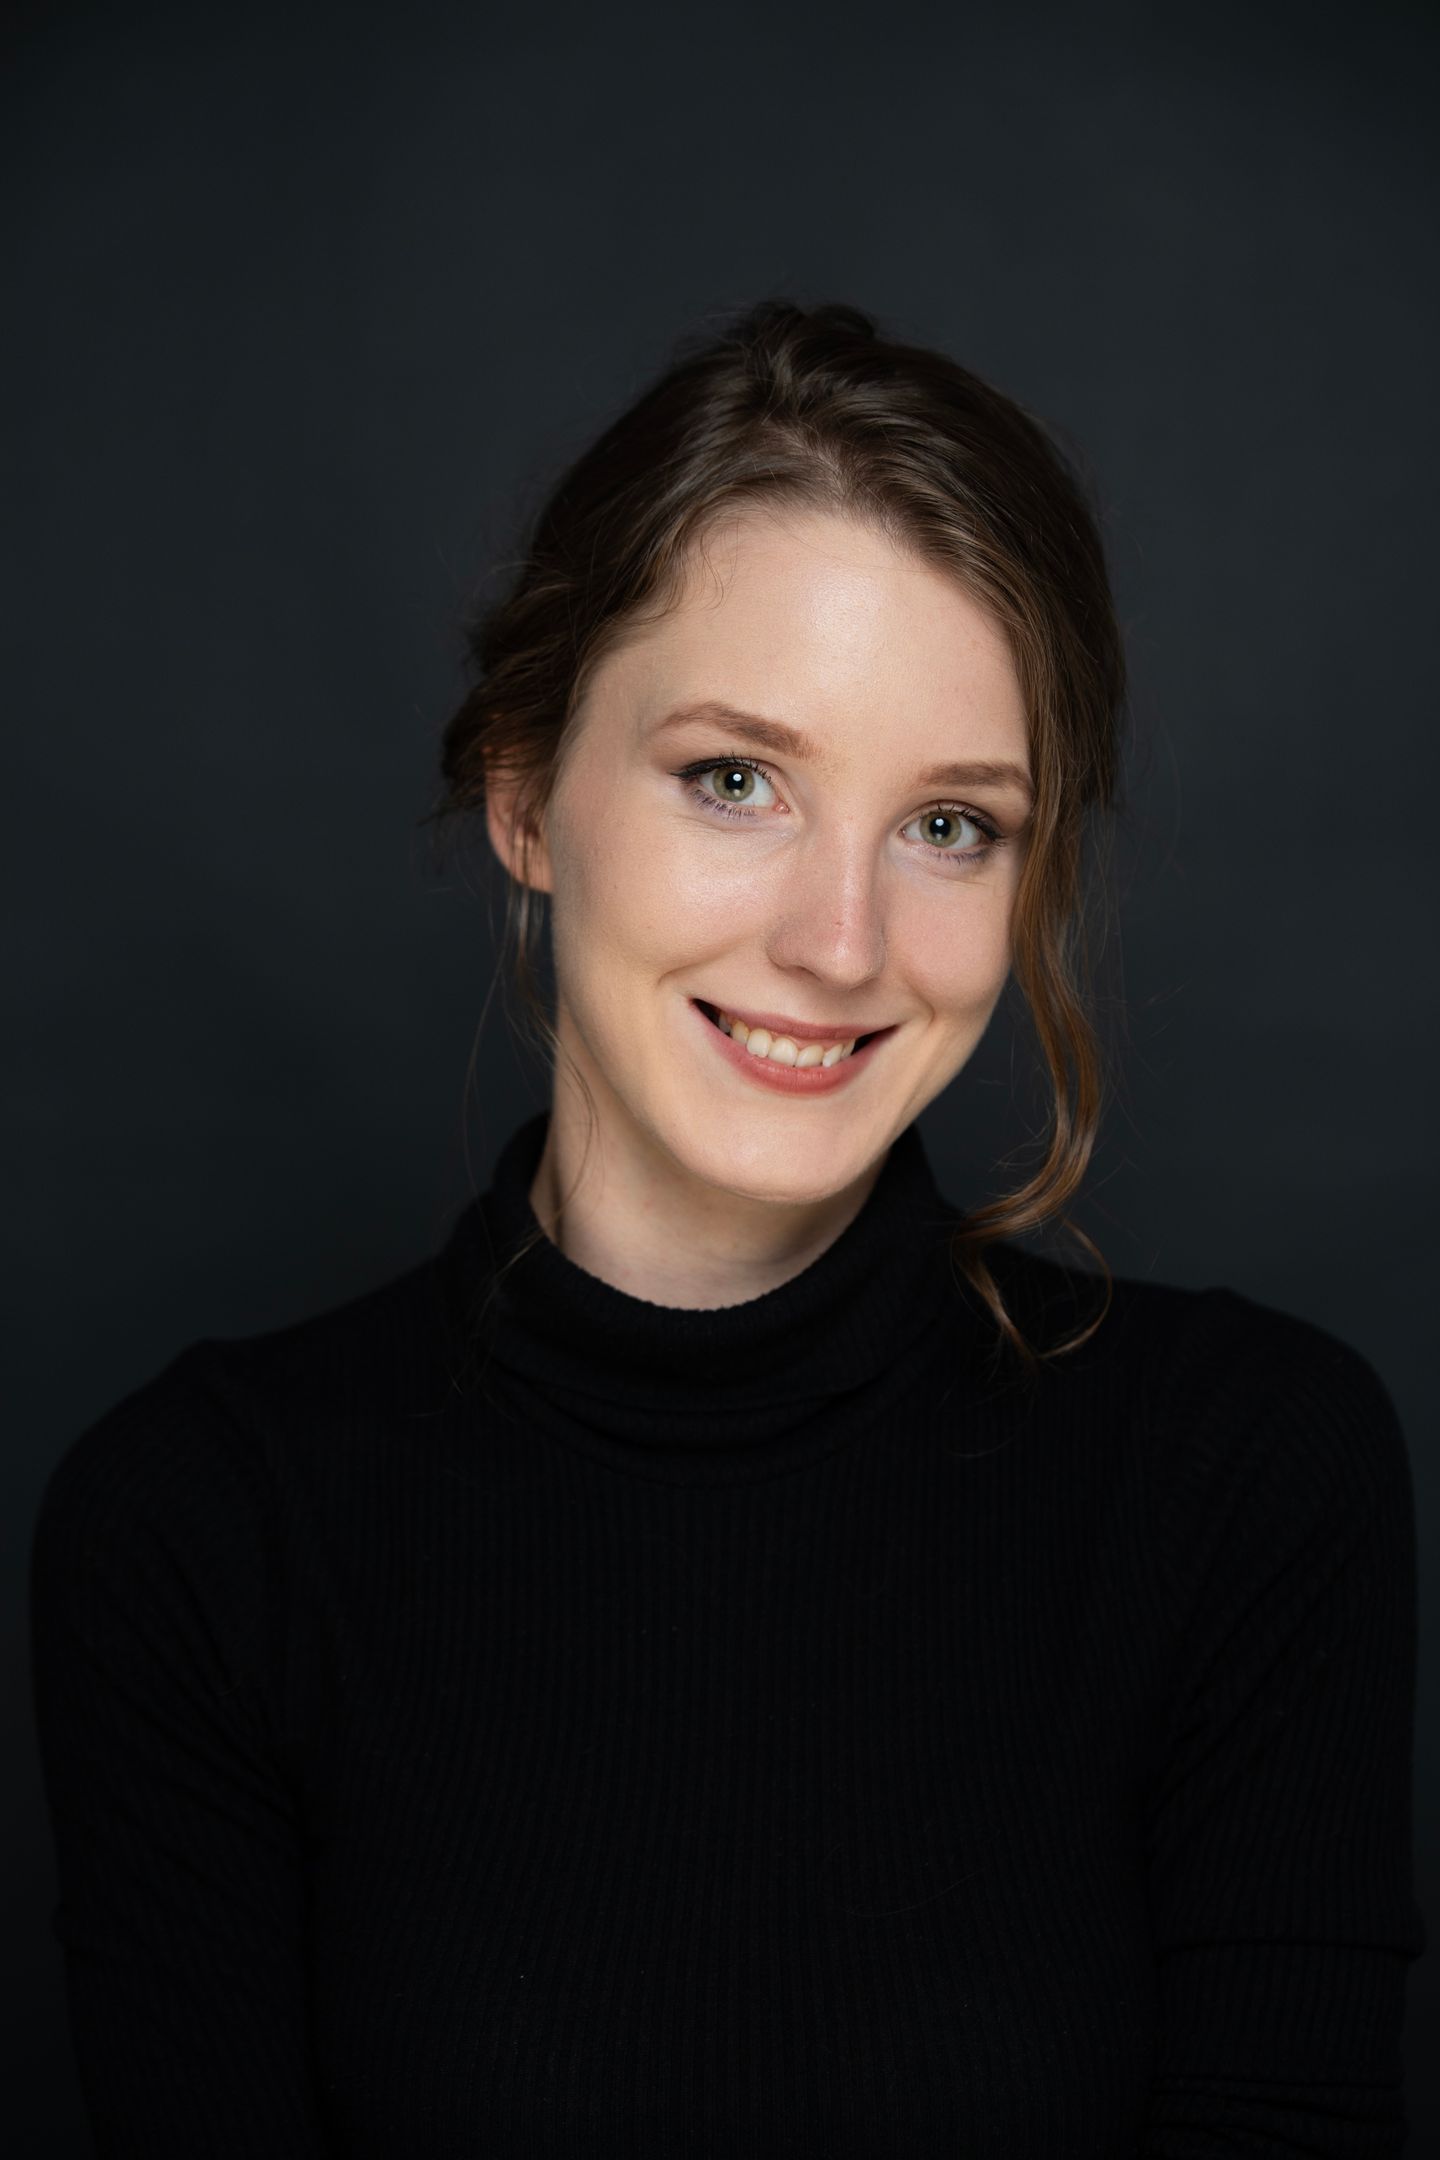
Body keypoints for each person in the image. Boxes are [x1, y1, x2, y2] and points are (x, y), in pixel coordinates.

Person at [29, 300, 1425, 2156]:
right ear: (526, 793)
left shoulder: (1249, 1478)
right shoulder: (201, 1537)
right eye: (736, 781)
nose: (840, 944)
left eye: (951, 824)